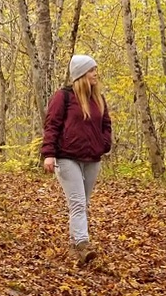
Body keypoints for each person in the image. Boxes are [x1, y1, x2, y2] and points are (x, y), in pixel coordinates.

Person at [41, 54, 112, 265]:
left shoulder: (98, 99)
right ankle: (82, 244)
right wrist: (48, 154)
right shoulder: (63, 97)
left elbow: (106, 124)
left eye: (95, 69)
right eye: (91, 70)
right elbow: (52, 125)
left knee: (83, 203)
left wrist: (104, 144)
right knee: (78, 203)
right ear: (81, 74)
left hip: (92, 158)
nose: (95, 74)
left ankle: (76, 243)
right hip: (66, 158)